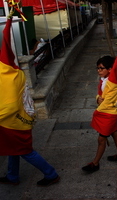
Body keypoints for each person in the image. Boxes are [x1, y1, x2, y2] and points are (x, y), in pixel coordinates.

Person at [0, 18, 60, 186]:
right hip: (17, 119)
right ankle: (12, 176)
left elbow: (9, 105)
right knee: (14, 150)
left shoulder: (6, 77)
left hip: (14, 123)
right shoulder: (13, 72)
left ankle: (51, 174)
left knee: (25, 151)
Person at [82, 55, 117, 173]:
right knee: (114, 133)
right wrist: (98, 99)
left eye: (102, 68)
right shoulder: (103, 80)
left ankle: (95, 163)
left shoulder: (113, 80)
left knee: (101, 140)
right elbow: (101, 94)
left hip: (108, 114)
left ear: (110, 69)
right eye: (97, 68)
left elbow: (116, 65)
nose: (99, 71)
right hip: (108, 112)